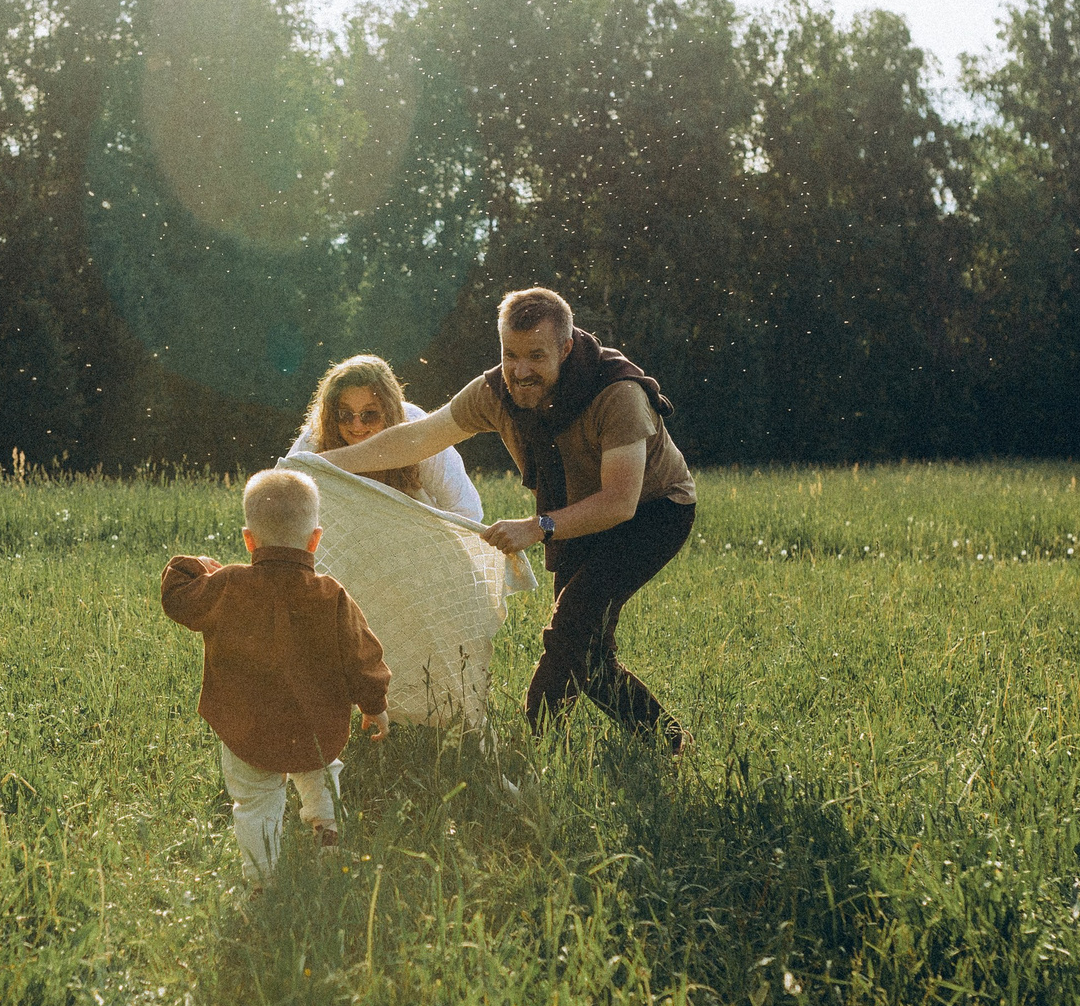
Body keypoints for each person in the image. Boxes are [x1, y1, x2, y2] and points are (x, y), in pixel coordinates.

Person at [315, 286, 696, 753]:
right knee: (587, 654)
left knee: (569, 632)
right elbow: (416, 439)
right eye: (510, 354)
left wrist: (536, 528)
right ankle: (672, 743)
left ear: (566, 347)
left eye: (536, 355)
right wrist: (328, 466)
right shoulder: (495, 391)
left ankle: (534, 747)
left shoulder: (617, 393)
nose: (520, 370)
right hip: (573, 513)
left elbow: (619, 502)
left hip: (653, 513)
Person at [161, 468, 392, 880]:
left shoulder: (227, 584)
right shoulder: (331, 595)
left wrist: (200, 567)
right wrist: (374, 704)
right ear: (315, 538)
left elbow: (177, 596)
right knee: (321, 770)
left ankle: (261, 880)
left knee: (255, 802)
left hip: (247, 727)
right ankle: (328, 830)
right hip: (315, 724)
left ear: (249, 539)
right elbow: (363, 655)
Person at [287, 355, 483, 522]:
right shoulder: (316, 438)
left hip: (423, 542)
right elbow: (280, 492)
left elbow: (467, 511)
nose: (357, 426)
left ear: (389, 412)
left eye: (369, 414)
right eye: (345, 415)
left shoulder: (417, 430)